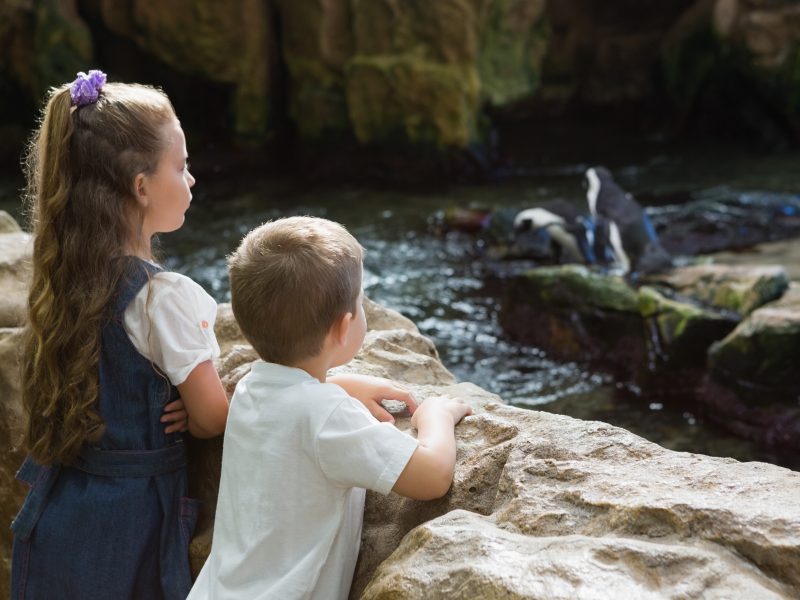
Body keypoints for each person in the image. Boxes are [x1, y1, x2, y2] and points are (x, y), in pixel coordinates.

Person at [10, 70, 231, 599]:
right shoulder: (164, 297)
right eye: (181, 166)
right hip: (129, 530)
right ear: (140, 186)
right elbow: (212, 417)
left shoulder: (67, 278)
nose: (192, 179)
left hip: (60, 515)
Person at [188, 216, 472, 600]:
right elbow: (433, 476)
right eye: (361, 301)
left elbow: (292, 405)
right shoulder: (330, 417)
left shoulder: (251, 389)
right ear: (343, 328)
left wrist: (340, 385)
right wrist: (435, 415)